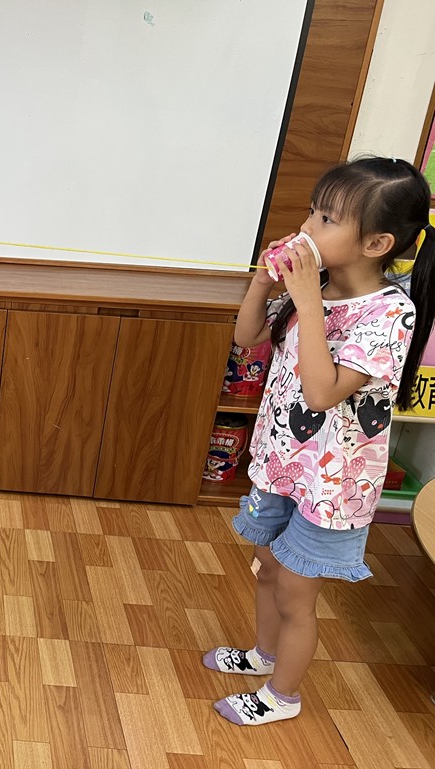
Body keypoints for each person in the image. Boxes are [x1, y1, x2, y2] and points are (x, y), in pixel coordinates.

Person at [202, 157, 435, 725]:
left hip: (331, 486)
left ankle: (283, 696)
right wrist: (265, 283)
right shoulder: (319, 288)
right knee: (266, 566)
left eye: (327, 219)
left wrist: (308, 301)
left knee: (294, 591)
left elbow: (322, 392)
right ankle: (264, 654)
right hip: (283, 465)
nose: (308, 227)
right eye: (313, 211)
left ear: (376, 243)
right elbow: (247, 337)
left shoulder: (390, 313)